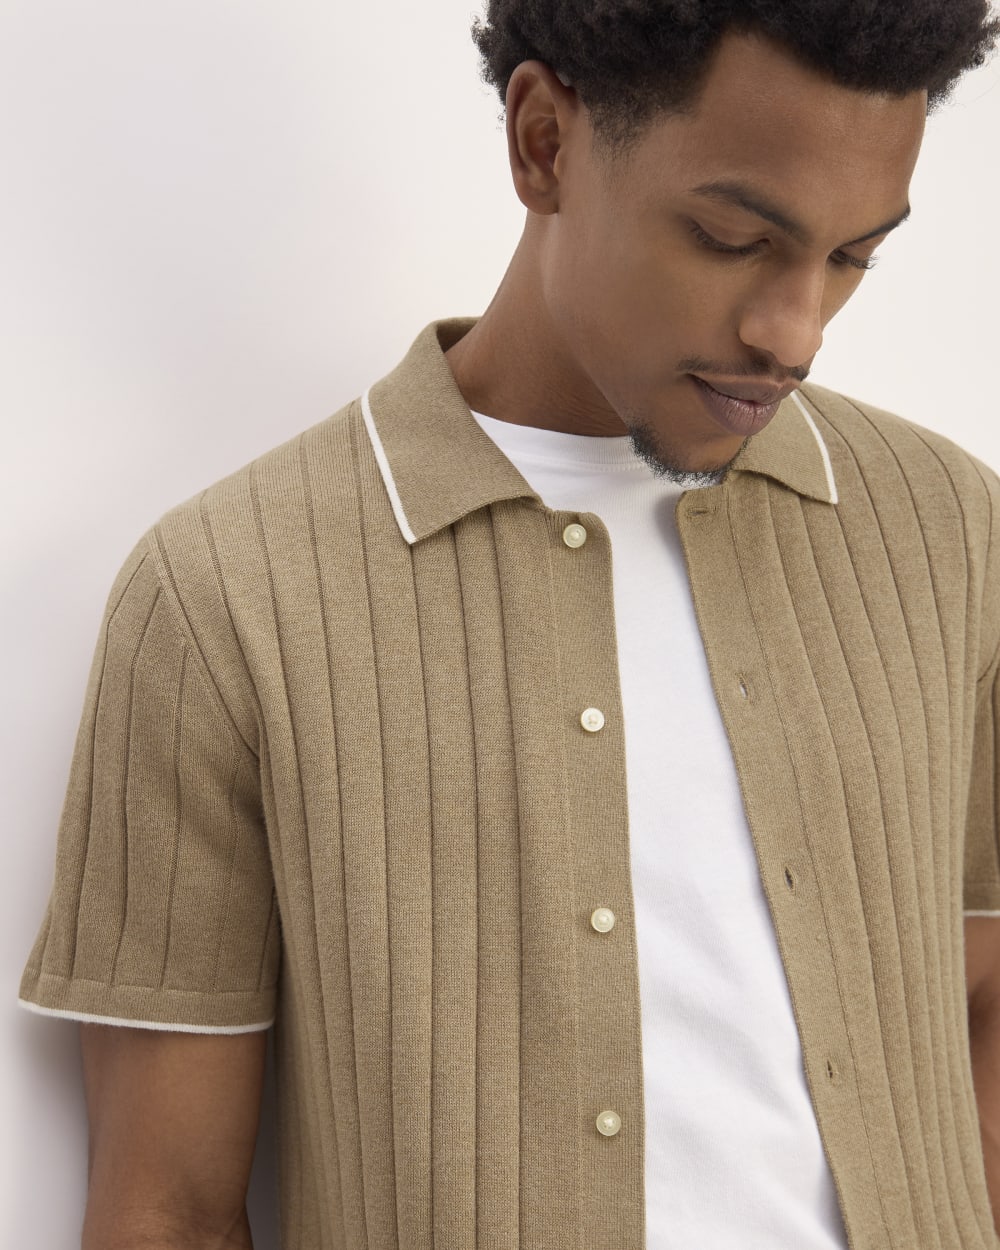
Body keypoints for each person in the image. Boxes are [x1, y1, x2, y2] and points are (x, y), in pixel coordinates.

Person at [18, 1, 1000, 1247]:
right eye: (730, 238)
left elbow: (980, 1004)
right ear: (544, 140)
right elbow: (167, 1208)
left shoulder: (948, 530)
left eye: (854, 256)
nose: (793, 331)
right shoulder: (228, 594)